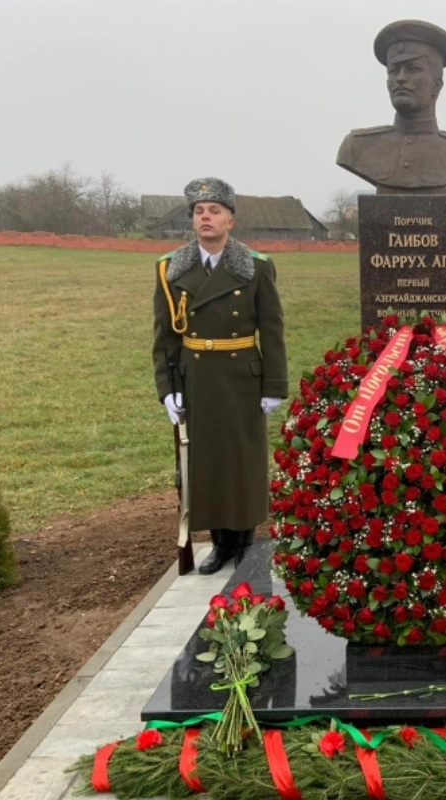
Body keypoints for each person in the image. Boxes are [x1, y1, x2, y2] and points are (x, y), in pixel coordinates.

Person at [152, 178, 288, 574]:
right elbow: (164, 337)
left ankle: (244, 540)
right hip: (198, 378)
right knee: (206, 462)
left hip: (242, 376)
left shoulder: (256, 267)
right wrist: (168, 388)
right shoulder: (170, 270)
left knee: (241, 461)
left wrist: (274, 385)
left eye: (214, 210)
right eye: (198, 211)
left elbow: (273, 330)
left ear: (230, 220)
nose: (205, 217)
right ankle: (219, 543)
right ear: (192, 221)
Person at [336, 19, 446, 194]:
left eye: (413, 69)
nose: (400, 78)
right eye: (394, 71)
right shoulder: (356, 148)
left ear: (436, 85)